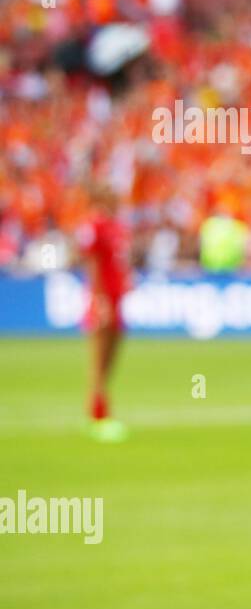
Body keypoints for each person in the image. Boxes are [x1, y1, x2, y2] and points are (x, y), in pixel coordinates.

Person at [75, 183, 131, 443]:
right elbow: (91, 262)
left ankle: (100, 409)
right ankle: (98, 415)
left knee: (111, 357)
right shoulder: (94, 225)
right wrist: (99, 299)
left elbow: (119, 261)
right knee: (98, 359)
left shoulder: (116, 226)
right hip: (102, 299)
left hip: (116, 299)